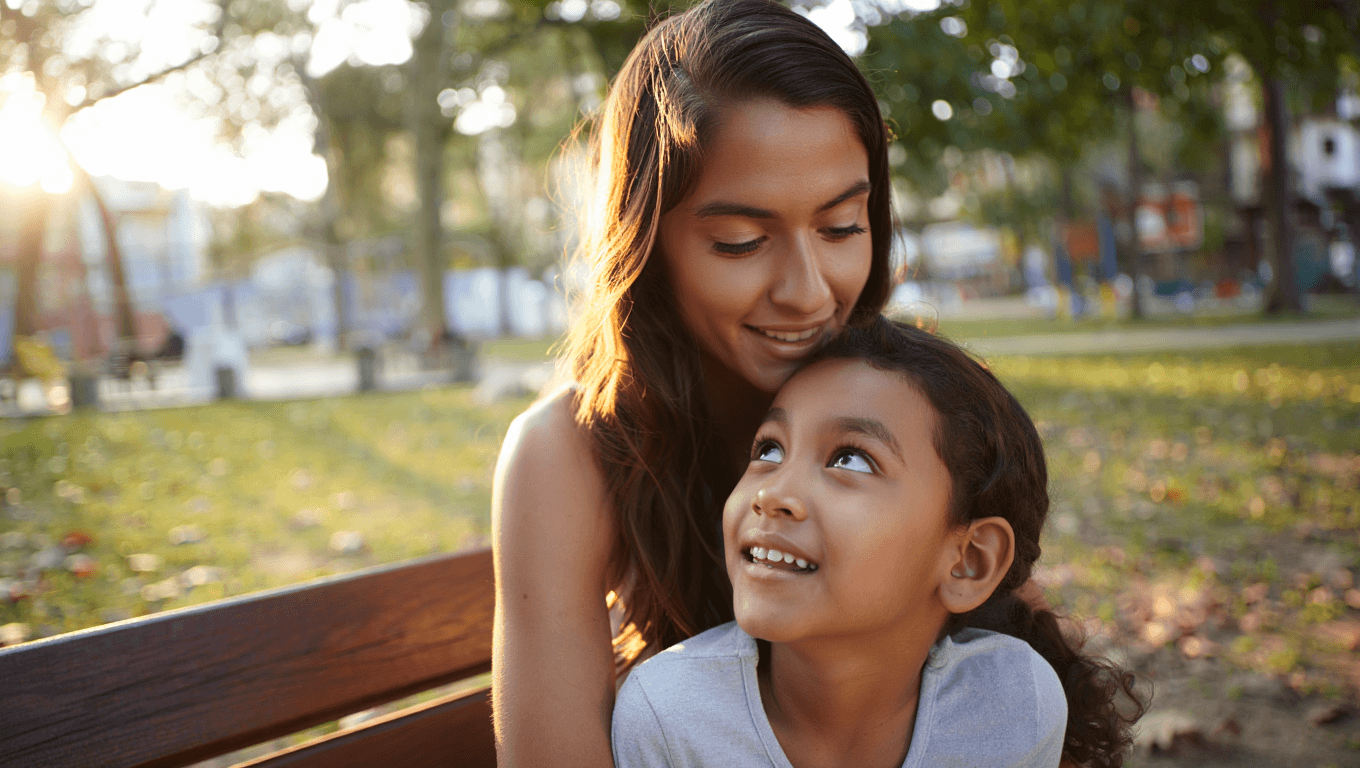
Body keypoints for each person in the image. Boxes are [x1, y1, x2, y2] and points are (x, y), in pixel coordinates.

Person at [490, 0, 893, 764]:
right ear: (646, 245)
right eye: (741, 242)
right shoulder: (565, 453)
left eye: (842, 227)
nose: (809, 292)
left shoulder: (914, 405)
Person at [611, 318, 1145, 768]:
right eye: (769, 450)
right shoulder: (669, 720)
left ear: (969, 561)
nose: (772, 494)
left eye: (850, 459)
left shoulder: (1016, 707)